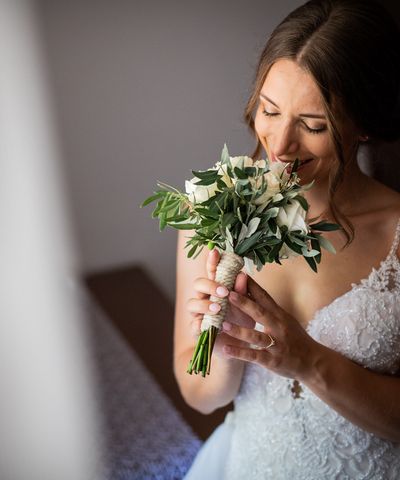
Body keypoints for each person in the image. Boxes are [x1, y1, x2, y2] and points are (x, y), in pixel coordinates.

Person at [174, 1, 400, 478]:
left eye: (313, 125)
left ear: (363, 124)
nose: (279, 145)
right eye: (269, 111)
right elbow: (201, 396)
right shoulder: (215, 210)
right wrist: (220, 339)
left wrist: (307, 360)